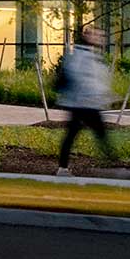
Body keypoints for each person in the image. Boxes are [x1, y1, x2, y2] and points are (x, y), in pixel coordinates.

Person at [53, 27, 119, 175]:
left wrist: (105, 93)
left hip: (82, 103)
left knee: (75, 135)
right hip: (83, 104)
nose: (100, 39)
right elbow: (82, 78)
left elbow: (92, 79)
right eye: (97, 36)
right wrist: (100, 93)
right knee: (100, 134)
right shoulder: (81, 55)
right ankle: (113, 167)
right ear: (87, 37)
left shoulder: (86, 54)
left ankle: (62, 168)